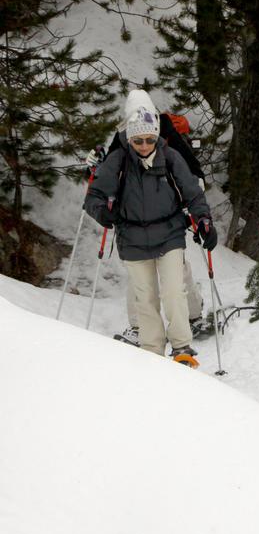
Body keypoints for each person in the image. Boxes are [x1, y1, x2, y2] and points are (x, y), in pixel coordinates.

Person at [84, 92, 216, 366]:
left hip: (169, 233)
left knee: (173, 292)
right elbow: (94, 196)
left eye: (149, 140)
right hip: (132, 238)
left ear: (156, 136)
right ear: (129, 137)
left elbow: (193, 193)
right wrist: (103, 213)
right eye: (138, 140)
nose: (144, 145)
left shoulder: (170, 157)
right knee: (145, 298)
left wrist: (203, 220)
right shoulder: (117, 160)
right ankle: (152, 352)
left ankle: (182, 347)